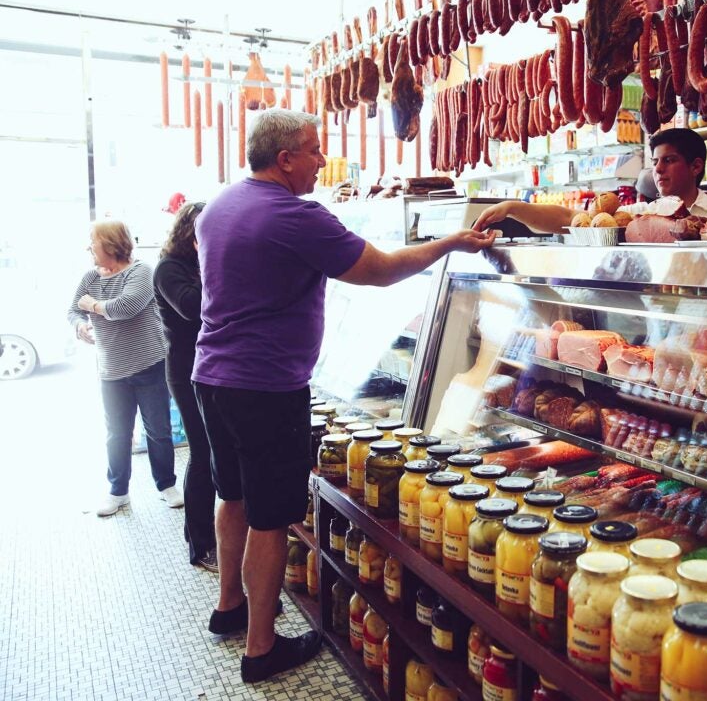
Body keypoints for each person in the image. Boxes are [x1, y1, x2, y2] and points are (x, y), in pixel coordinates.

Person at [193, 109, 496, 683]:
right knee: (271, 517)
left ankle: (229, 606)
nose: (320, 160)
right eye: (313, 150)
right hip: (266, 386)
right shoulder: (294, 215)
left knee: (230, 494)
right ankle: (261, 648)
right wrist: (451, 243)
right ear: (283, 159)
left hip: (213, 375)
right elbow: (380, 271)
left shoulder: (221, 205)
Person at [68, 221, 183, 517]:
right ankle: (118, 491)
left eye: (93, 243)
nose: (89, 249)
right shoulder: (89, 277)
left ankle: (166, 485)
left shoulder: (141, 271)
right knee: (116, 433)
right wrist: (80, 325)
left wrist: (92, 305)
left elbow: (126, 307)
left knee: (158, 430)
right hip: (111, 369)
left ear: (111, 244)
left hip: (150, 364)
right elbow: (73, 310)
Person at [473, 127, 707, 233]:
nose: (657, 169)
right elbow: (569, 219)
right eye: (655, 162)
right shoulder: (643, 213)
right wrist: (514, 207)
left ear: (695, 166)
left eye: (669, 160)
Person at [153, 202, 218, 572]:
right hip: (185, 369)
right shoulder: (168, 268)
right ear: (190, 234)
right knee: (201, 452)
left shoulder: (198, 263)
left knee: (217, 454)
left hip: (213, 367)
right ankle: (200, 544)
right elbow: (192, 307)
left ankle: (209, 534)